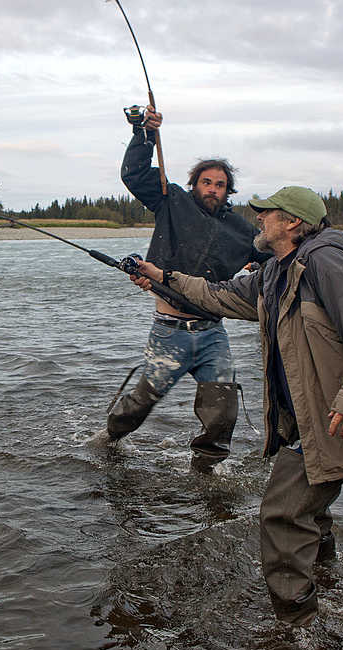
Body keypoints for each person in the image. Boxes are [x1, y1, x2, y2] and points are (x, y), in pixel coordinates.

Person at [128, 186, 343, 626]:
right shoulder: (273, 272)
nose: (258, 219)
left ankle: (296, 628)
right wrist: (163, 276)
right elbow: (217, 294)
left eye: (268, 214)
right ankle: (327, 583)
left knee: (281, 515)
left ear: (293, 223)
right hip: (305, 417)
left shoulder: (324, 261)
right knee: (311, 511)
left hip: (335, 415)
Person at [93, 105, 270, 471]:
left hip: (212, 334)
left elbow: (272, 259)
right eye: (206, 182)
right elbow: (135, 174)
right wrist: (145, 134)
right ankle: (107, 440)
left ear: (228, 191)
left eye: (220, 185)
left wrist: (263, 270)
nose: (213, 189)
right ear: (194, 185)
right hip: (168, 331)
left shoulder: (243, 231)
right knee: (140, 406)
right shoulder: (170, 201)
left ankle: (206, 471)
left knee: (222, 413)